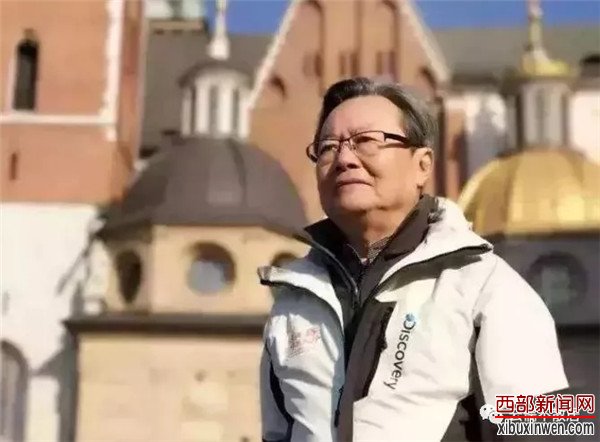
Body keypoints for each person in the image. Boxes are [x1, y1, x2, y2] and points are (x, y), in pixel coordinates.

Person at [258, 77, 568, 442]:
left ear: (423, 164)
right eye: (328, 147)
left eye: (366, 141)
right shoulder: (294, 302)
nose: (344, 159)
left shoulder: (484, 284)